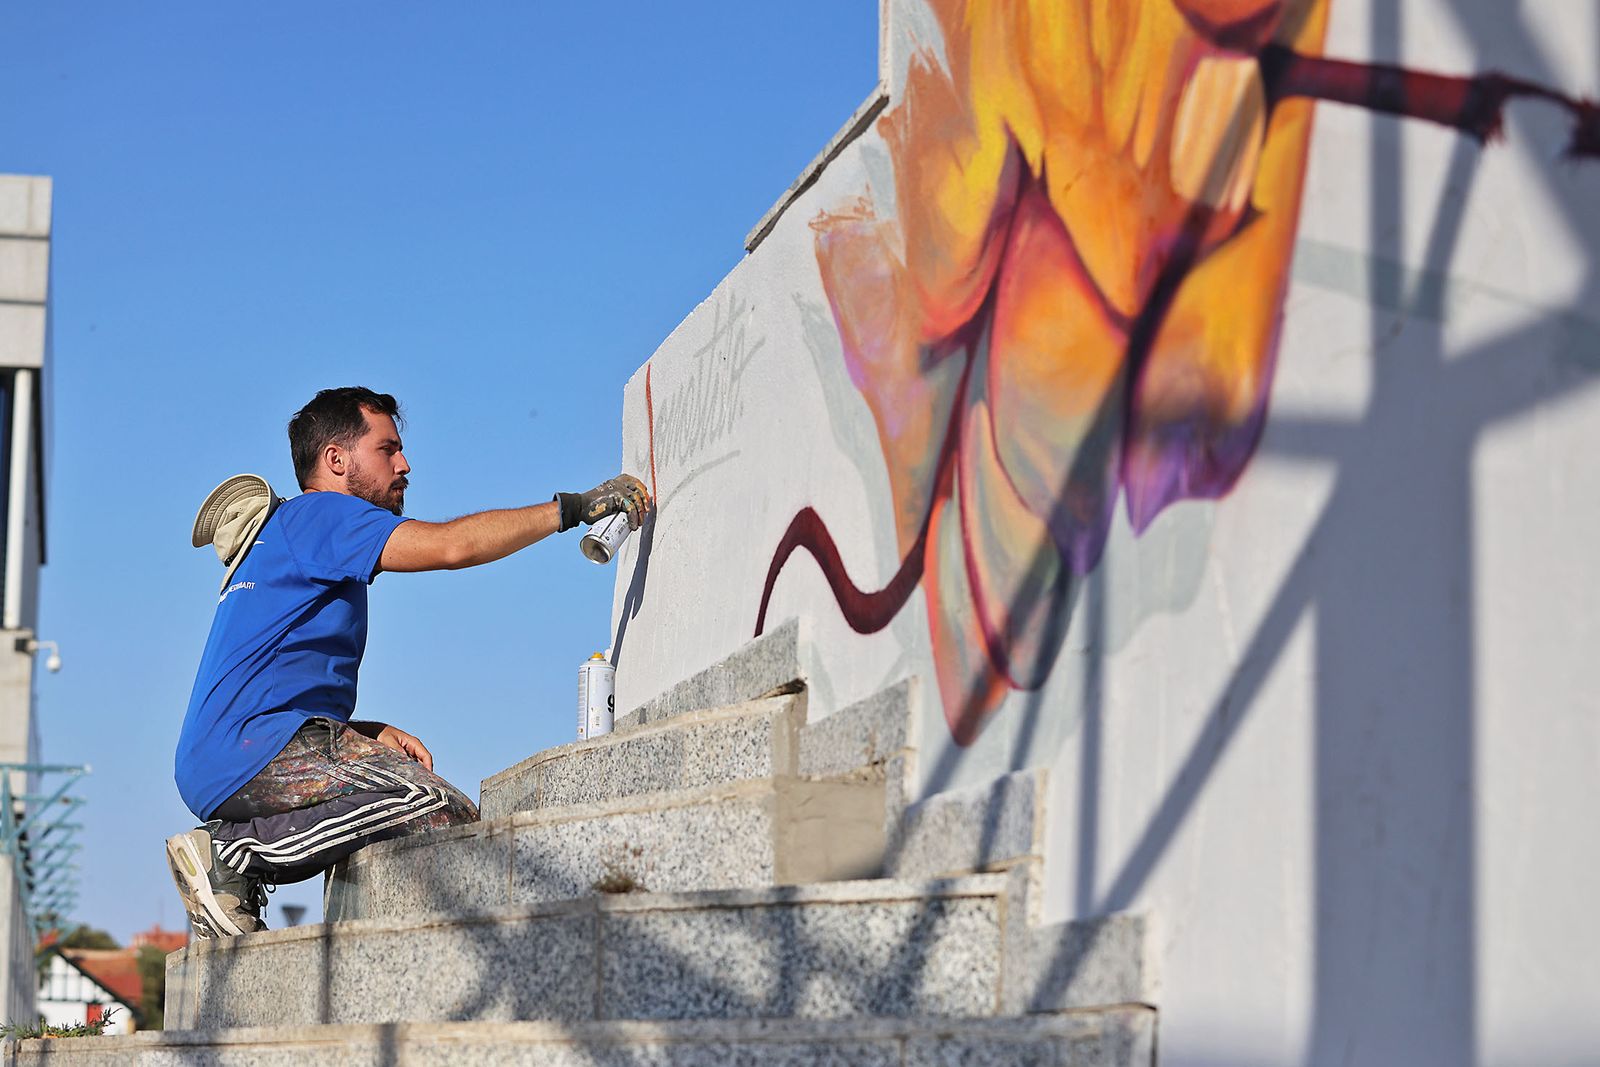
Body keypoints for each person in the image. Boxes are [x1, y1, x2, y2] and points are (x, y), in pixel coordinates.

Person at [165, 386, 651, 939]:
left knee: (418, 805)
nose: (405, 465)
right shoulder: (323, 514)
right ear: (336, 460)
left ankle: (238, 870)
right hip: (253, 749)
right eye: (387, 449)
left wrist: (367, 732)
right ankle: (233, 856)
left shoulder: (290, 536)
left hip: (234, 751)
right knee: (433, 804)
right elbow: (451, 546)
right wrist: (571, 509)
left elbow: (271, 679)